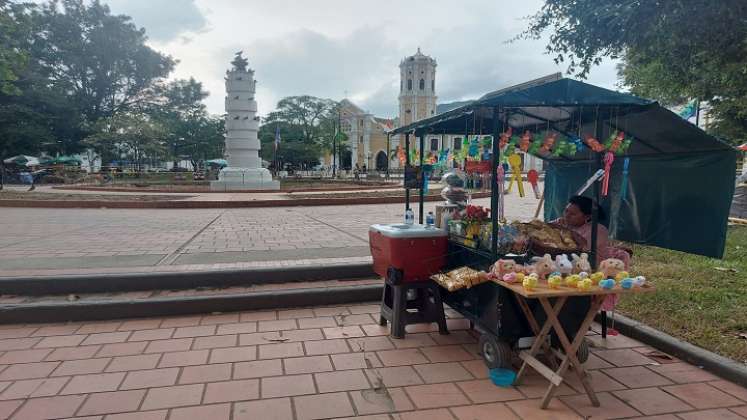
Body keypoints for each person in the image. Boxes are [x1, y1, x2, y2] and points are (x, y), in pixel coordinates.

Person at [551, 195, 631, 269]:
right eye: (566, 211)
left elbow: (580, 249)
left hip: (589, 266)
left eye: (572, 214)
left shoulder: (598, 230)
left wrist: (564, 230)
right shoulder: (561, 223)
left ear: (587, 216)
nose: (566, 215)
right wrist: (553, 226)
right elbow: (543, 231)